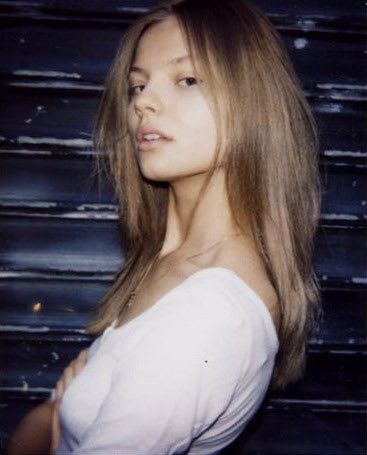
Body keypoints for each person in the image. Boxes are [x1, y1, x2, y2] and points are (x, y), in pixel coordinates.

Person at [7, 0, 322, 453]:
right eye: (138, 85)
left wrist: (56, 415)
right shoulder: (168, 261)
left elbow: (49, 419)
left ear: (251, 100)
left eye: (187, 79)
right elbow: (52, 416)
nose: (143, 103)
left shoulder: (211, 316)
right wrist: (57, 415)